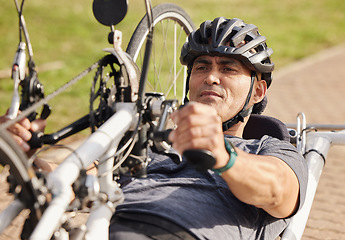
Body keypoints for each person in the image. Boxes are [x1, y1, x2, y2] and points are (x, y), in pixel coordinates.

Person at [1, 17, 308, 240]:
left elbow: (279, 191)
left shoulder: (268, 150)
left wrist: (221, 153)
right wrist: (21, 154)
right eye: (202, 67)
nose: (211, 77)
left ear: (258, 92)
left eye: (228, 68)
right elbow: (71, 179)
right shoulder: (147, 144)